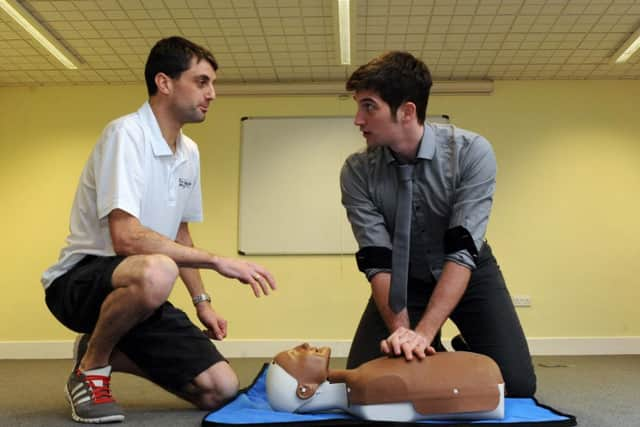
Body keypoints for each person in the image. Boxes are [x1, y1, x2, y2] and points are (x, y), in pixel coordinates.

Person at [41, 36, 276, 424]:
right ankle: (92, 370)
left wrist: (203, 302)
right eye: (202, 82)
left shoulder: (189, 152)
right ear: (165, 82)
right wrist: (218, 261)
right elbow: (127, 238)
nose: (212, 94)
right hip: (80, 281)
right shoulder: (126, 134)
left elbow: (179, 236)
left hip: (141, 288)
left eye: (212, 84)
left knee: (222, 389)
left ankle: (103, 347)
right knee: (157, 269)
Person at [339, 51, 536, 397]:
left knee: (517, 384)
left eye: (369, 106)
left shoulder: (472, 153)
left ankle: (462, 342)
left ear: (407, 111)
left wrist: (425, 333)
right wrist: (403, 334)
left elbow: (462, 251)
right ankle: (435, 354)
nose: (358, 119)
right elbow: (377, 260)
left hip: (469, 273)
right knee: (364, 383)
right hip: (403, 278)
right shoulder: (357, 172)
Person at [266, 343, 505, 422]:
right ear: (304, 390)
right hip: (484, 376)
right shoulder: (366, 387)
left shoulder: (363, 381)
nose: (305, 346)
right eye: (297, 354)